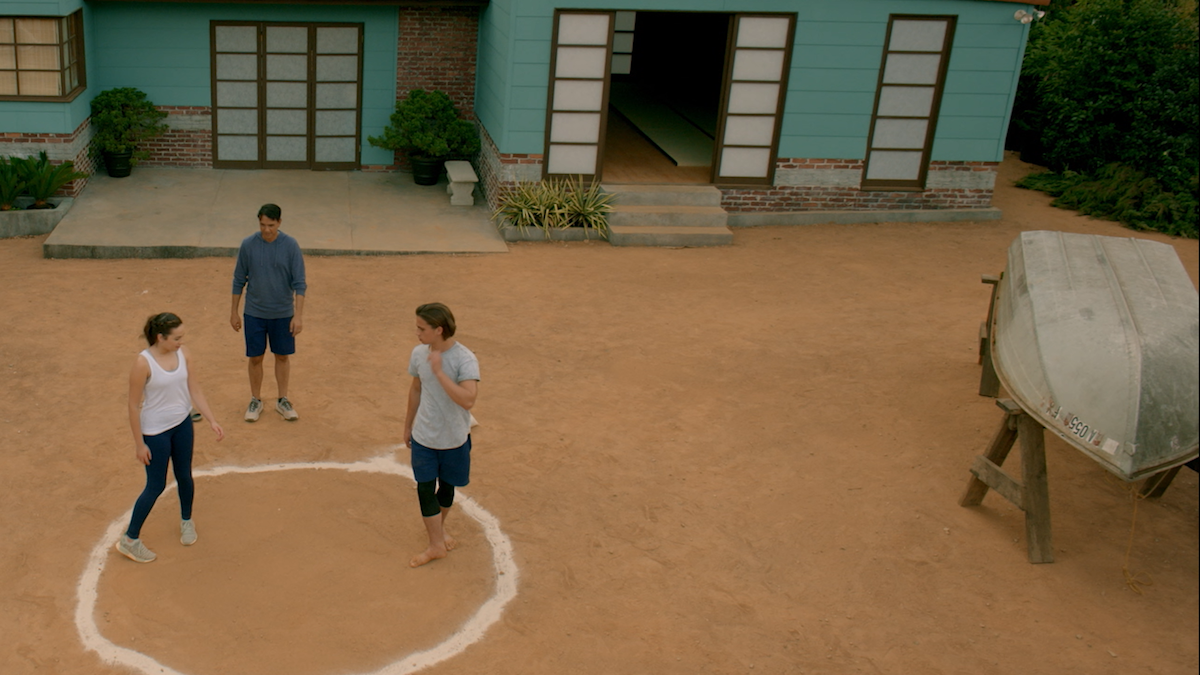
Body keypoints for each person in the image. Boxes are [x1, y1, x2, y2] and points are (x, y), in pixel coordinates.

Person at [117, 313, 225, 564]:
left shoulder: (183, 353)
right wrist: (139, 444)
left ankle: (187, 521)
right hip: (155, 432)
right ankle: (130, 540)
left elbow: (194, 388)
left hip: (182, 424)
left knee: (184, 474)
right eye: (176, 338)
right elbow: (133, 406)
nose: (180, 342)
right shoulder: (142, 363)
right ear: (160, 337)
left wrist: (212, 419)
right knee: (155, 486)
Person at [404, 303, 480, 568]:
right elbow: (416, 389)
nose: (417, 333)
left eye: (421, 328)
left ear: (439, 330)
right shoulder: (418, 353)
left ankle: (438, 532)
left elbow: (468, 400)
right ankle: (436, 543)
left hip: (454, 438)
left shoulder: (464, 359)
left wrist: (438, 372)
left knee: (447, 488)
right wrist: (407, 425)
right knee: (425, 488)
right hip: (424, 436)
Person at [231, 203, 307, 422]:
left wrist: (298, 315)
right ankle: (255, 399)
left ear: (279, 223)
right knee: (255, 357)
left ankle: (282, 399)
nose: (266, 230)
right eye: (262, 225)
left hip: (282, 313)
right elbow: (238, 280)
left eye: (271, 225)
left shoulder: (291, 246)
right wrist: (234, 312)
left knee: (282, 356)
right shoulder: (248, 245)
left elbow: (300, 283)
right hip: (254, 312)